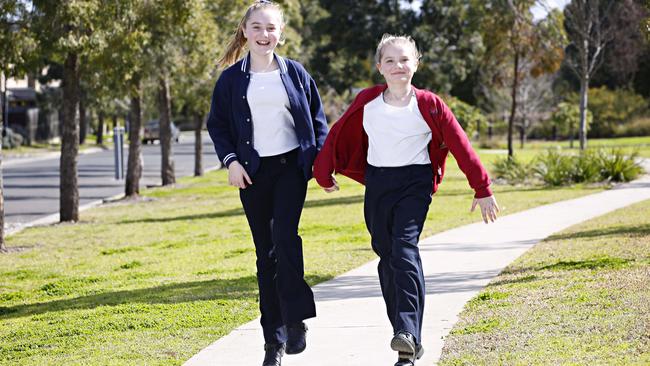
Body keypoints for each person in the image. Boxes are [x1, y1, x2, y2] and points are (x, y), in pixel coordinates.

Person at [313, 34, 499, 366]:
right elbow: (337, 133)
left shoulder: (429, 104)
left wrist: (482, 187)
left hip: (415, 181)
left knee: (403, 248)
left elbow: (460, 144)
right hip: (379, 182)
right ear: (379, 67)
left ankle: (408, 333)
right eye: (390, 61)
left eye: (404, 60)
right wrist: (324, 173)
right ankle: (407, 341)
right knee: (386, 256)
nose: (398, 66)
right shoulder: (367, 101)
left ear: (416, 64)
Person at [206, 2, 328, 365]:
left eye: (271, 28)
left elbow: (318, 121)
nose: (264, 35)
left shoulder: (296, 73)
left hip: (291, 169)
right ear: (245, 31)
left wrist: (321, 164)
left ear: (281, 33)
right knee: (266, 256)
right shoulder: (231, 80)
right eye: (257, 27)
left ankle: (295, 320)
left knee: (286, 240)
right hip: (252, 174)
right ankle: (272, 343)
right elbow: (219, 126)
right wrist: (230, 162)